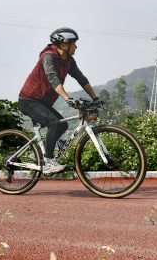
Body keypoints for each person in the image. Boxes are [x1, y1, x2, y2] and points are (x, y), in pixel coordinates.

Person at [18, 27, 105, 175]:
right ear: (63, 44)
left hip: (42, 101)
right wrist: (68, 99)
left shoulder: (68, 61)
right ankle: (48, 162)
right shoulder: (48, 57)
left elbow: (81, 78)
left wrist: (95, 98)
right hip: (29, 100)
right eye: (73, 43)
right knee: (54, 123)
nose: (76, 46)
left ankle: (38, 152)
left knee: (62, 125)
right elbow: (53, 79)